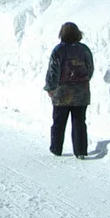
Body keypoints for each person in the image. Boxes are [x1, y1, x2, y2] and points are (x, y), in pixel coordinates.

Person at [44, 22, 94, 159]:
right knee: (79, 121)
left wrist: (50, 87)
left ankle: (56, 148)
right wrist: (82, 81)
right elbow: (90, 69)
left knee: (59, 121)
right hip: (81, 92)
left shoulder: (58, 50)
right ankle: (80, 151)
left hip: (62, 92)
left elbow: (53, 71)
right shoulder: (84, 49)